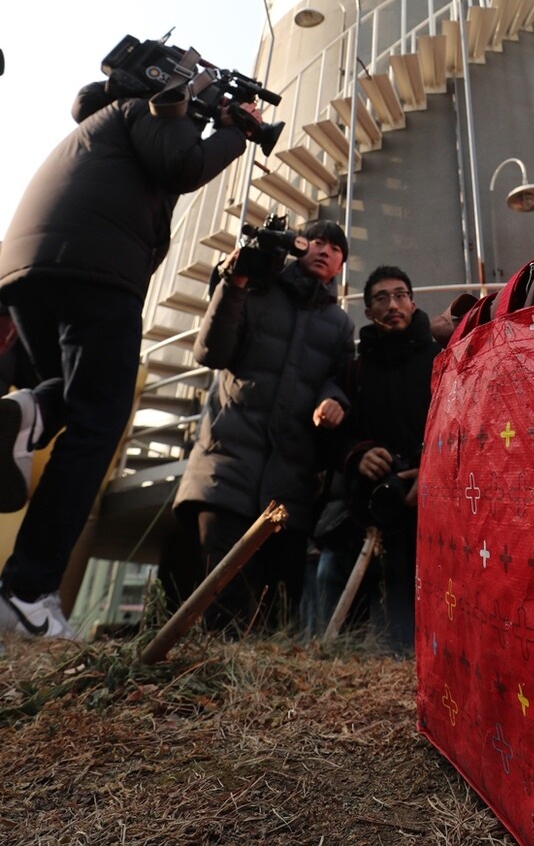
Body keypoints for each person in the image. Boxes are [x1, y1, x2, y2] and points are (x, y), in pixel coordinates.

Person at [0, 77, 251, 639]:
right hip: (97, 272)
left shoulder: (95, 132)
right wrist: (232, 132)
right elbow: (184, 165)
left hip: (28, 270)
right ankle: (28, 593)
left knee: (75, 396)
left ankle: (32, 410)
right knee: (98, 424)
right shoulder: (150, 108)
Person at [174, 219, 354, 634]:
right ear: (299, 246)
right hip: (225, 469)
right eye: (318, 241)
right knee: (222, 606)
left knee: (277, 615)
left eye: (336, 248)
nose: (325, 250)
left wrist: (334, 400)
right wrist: (233, 284)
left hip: (289, 486)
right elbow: (210, 352)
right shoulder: (257, 290)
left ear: (341, 265)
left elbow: (341, 378)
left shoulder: (341, 325)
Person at [312, 265, 439, 653]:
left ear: (413, 302)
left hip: (432, 505)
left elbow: (462, 425)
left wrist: (431, 469)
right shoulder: (353, 371)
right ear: (367, 312)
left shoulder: (441, 361)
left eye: (400, 295)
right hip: (367, 507)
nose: (392, 305)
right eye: (381, 298)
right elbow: (331, 440)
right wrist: (358, 455)